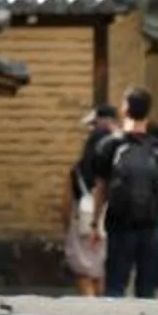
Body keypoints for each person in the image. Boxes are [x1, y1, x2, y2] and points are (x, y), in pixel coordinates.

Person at [100, 89, 158, 301]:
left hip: (119, 225)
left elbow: (100, 188)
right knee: (146, 291)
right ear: (150, 113)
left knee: (115, 286)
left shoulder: (110, 145)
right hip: (151, 226)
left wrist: (94, 224)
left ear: (124, 109)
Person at [64, 105, 119, 294]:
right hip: (111, 223)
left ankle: (90, 307)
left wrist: (67, 225)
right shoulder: (117, 164)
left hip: (83, 222)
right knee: (104, 273)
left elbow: (66, 204)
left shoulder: (77, 169)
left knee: (84, 272)